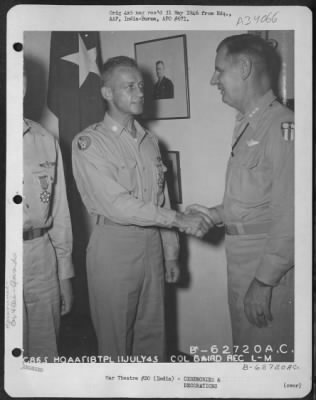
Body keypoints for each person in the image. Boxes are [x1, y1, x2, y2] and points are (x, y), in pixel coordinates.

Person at [72, 56, 210, 361]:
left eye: (141, 86)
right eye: (129, 87)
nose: (139, 93)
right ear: (107, 93)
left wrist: (171, 252)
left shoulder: (150, 141)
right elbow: (117, 204)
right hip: (114, 245)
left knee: (152, 336)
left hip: (152, 245)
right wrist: (179, 221)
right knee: (116, 340)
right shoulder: (89, 143)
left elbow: (162, 199)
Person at [187, 34, 294, 361]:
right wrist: (215, 213)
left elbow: (292, 214)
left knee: (267, 361)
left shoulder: (282, 126)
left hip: (266, 264)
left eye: (219, 70)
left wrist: (264, 282)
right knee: (248, 353)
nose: (212, 79)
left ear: (244, 67)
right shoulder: (250, 125)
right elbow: (257, 198)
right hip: (244, 257)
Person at [23, 70, 74, 361]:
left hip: (41, 258)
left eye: (22, 74)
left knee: (45, 354)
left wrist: (65, 274)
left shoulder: (44, 138)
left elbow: (60, 211)